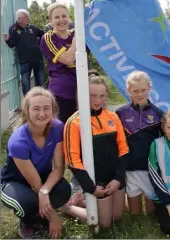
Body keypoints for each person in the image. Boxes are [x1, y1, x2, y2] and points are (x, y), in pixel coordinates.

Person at [0, 87, 71, 239]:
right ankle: (27, 220)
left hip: (41, 180)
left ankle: (40, 215)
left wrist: (44, 191)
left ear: (53, 109)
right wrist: (53, 217)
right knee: (27, 202)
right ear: (26, 111)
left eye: (47, 108)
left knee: (64, 190)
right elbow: (34, 184)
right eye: (36, 108)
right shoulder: (18, 141)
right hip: (14, 183)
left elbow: (59, 168)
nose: (42, 113)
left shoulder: (57, 127)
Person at [62, 73, 129, 228]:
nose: (98, 100)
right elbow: (72, 160)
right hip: (94, 182)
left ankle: (82, 197)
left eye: (101, 95)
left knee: (117, 216)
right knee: (103, 223)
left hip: (114, 178)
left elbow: (123, 149)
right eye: (92, 95)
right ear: (83, 95)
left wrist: (118, 178)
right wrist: (91, 188)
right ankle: (68, 206)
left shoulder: (112, 116)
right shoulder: (74, 122)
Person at [115, 71, 164, 215]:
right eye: (135, 91)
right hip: (129, 168)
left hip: (150, 168)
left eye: (143, 90)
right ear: (128, 90)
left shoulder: (158, 113)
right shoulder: (120, 113)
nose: (140, 94)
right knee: (135, 214)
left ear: (149, 88)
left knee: (151, 213)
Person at [39, 3, 78, 124]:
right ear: (50, 21)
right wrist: (76, 41)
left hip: (81, 89)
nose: (61, 20)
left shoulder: (75, 33)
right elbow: (68, 59)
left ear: (69, 17)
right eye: (56, 17)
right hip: (61, 92)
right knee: (62, 129)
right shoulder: (49, 38)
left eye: (64, 16)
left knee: (80, 130)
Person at [3, 9, 45, 96]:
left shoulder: (33, 28)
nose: (26, 19)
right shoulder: (13, 28)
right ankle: (27, 101)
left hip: (37, 59)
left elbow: (43, 35)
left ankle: (40, 98)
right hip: (24, 61)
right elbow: (12, 44)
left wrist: (40, 46)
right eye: (20, 18)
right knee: (25, 83)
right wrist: (7, 40)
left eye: (25, 17)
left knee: (40, 82)